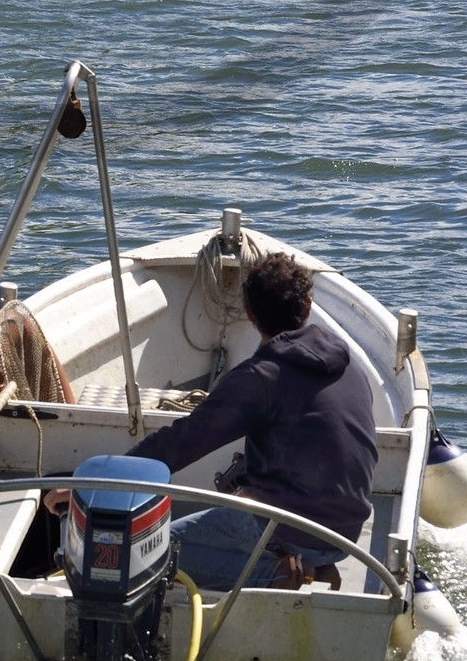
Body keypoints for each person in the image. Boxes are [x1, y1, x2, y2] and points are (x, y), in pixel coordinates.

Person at [125, 250, 377, 591]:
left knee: (135, 552)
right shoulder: (350, 366)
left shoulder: (259, 379)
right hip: (345, 533)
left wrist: (95, 482)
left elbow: (180, 443)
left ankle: (276, 573)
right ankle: (311, 567)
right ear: (307, 307)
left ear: (248, 313)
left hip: (292, 529)